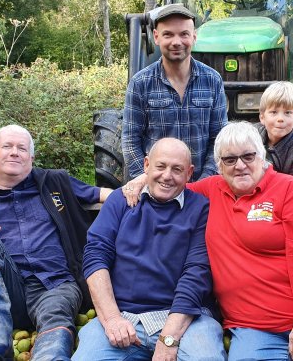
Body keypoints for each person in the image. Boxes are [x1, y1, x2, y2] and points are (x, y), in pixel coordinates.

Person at [187, 122, 293, 361]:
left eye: (248, 156)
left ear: (262, 155)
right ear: (219, 166)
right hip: (252, 325)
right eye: (230, 159)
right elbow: (169, 189)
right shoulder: (210, 190)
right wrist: (136, 184)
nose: (240, 165)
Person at [0, 125, 112, 361]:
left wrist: (135, 188)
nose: (15, 152)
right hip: (5, 291)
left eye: (22, 148)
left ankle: (50, 355)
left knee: (55, 316)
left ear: (31, 158)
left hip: (55, 284)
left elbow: (101, 195)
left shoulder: (55, 182)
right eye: (7, 146)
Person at [73, 138, 225, 361]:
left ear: (189, 173)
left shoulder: (200, 209)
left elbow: (197, 274)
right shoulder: (120, 201)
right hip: (123, 316)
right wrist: (113, 318)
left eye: (177, 169)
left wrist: (169, 338)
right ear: (146, 165)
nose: (167, 176)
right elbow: (96, 257)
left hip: (185, 319)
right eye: (160, 166)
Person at [121, 4, 228, 205]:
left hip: (201, 191)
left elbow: (219, 139)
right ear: (156, 36)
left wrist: (204, 184)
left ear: (194, 37)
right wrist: (146, 178)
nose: (176, 42)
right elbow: (130, 139)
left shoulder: (212, 80)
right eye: (168, 34)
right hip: (156, 190)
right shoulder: (140, 83)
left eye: (184, 34)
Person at [256, 81, 293, 187]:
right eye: (274, 112)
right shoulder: (252, 137)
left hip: (290, 195)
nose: (280, 119)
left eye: (287, 113)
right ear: (262, 117)